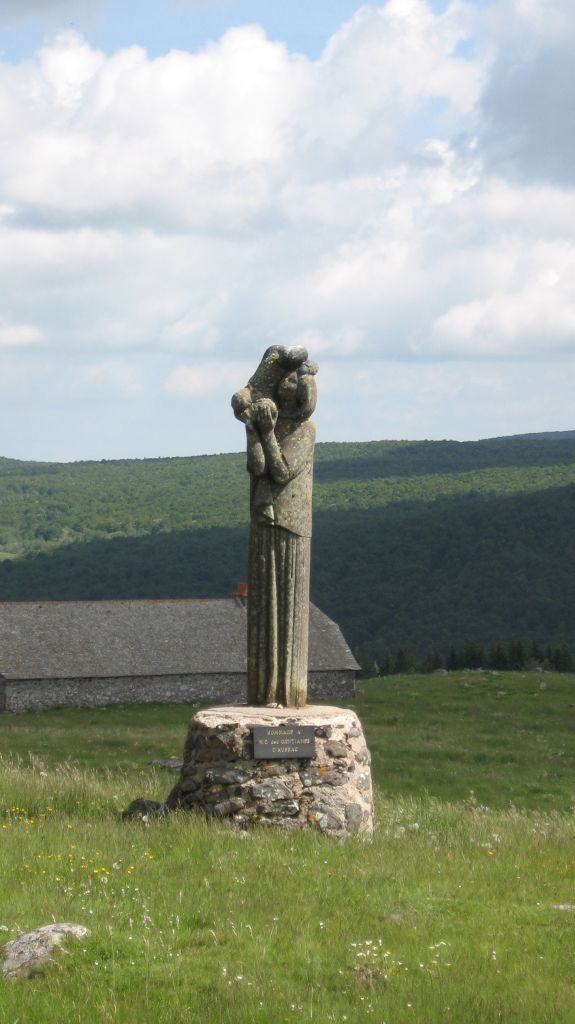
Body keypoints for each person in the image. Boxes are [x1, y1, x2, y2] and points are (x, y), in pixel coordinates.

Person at [236, 357, 318, 707]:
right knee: (264, 604)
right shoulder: (268, 419)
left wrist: (267, 431)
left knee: (287, 607)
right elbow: (257, 467)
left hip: (291, 527)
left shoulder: (305, 430)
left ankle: (287, 691)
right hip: (264, 520)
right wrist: (252, 429)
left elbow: (282, 471)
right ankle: (264, 691)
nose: (285, 384)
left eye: (292, 380)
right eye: (282, 378)